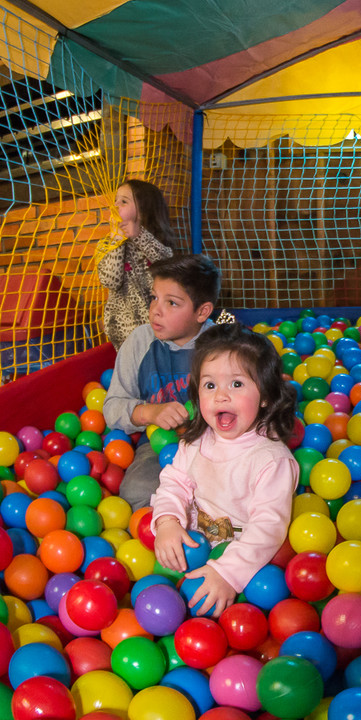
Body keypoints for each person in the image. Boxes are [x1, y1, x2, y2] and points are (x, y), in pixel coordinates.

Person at [151, 322, 298, 617]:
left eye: (237, 384)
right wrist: (167, 522)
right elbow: (173, 483)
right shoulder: (195, 442)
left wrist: (228, 573)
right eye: (210, 385)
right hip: (193, 551)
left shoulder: (271, 460)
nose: (220, 396)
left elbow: (268, 527)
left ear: (266, 395)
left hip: (245, 568)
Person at [103, 254, 220, 509]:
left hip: (217, 444)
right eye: (154, 297)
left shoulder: (222, 345)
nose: (156, 309)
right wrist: (150, 412)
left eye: (172, 303)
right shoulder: (140, 342)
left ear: (202, 311)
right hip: (158, 444)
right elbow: (112, 409)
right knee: (135, 493)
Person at [96, 179, 177, 349]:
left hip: (159, 322)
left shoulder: (156, 239)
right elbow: (111, 280)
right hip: (123, 327)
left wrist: (138, 235)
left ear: (143, 211)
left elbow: (166, 263)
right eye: (115, 201)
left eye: (123, 201)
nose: (116, 205)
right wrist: (117, 239)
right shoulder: (106, 244)